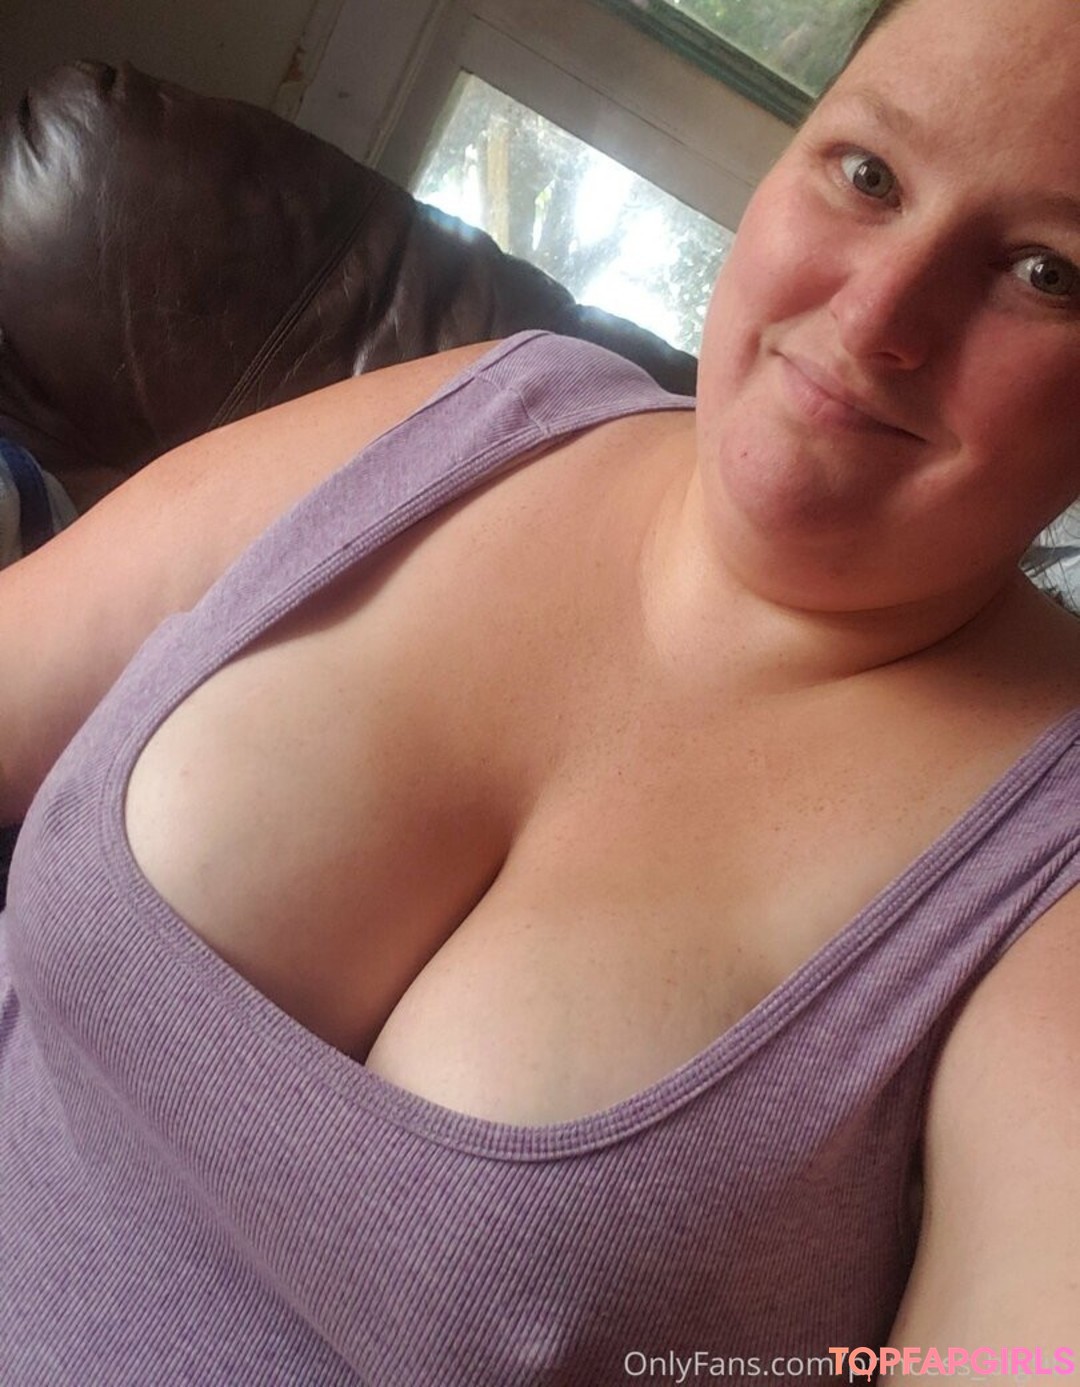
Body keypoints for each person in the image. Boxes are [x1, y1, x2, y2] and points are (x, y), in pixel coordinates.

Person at [1, 0, 1078, 1380]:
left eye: (1046, 271)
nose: (876, 316)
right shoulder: (492, 410)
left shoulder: (1048, 878)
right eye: (868, 173)